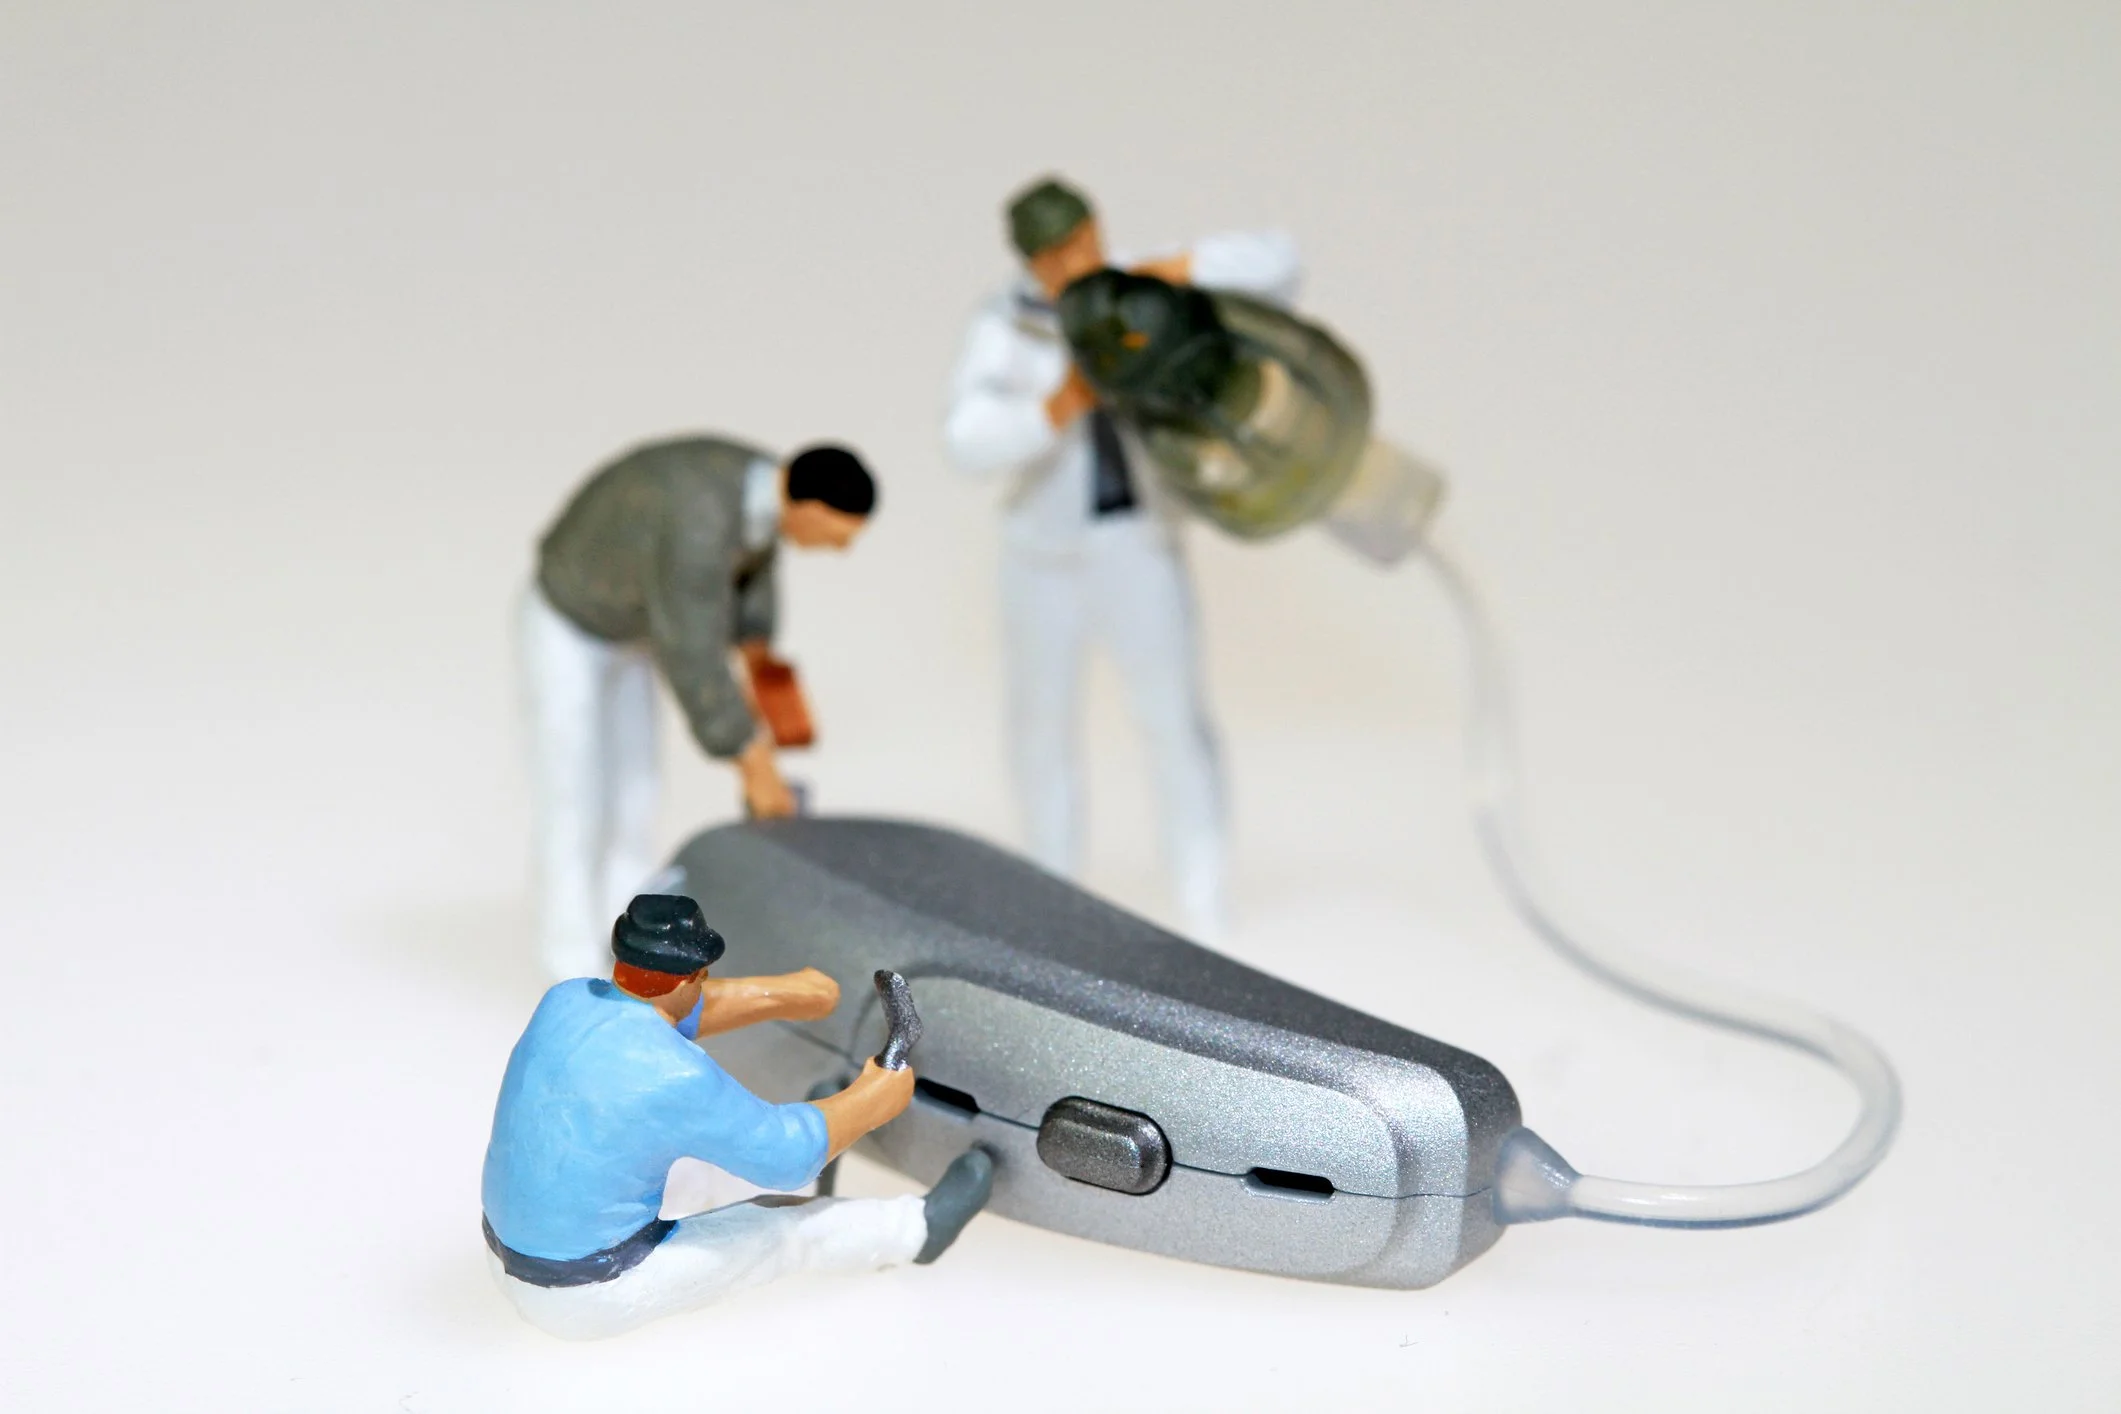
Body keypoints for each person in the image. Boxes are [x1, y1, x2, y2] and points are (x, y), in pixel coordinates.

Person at [943, 176, 1301, 941]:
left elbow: (1279, 265)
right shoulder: (1006, 327)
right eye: (1056, 255)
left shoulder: (1145, 290)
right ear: (1032, 263)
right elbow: (964, 440)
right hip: (1043, 554)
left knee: (1173, 719)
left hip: (1137, 541)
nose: (1075, 262)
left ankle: (1203, 899)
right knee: (1041, 726)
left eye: (1083, 242)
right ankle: (1053, 899)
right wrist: (1054, 409)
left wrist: (1183, 270)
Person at [482, 894, 994, 1341]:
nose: (705, 986)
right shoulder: (674, 1076)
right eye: (702, 977)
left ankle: (830, 1157)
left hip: (502, 1255)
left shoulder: (566, 999)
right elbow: (786, 1155)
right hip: (589, 1290)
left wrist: (786, 995)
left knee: (689, 1166)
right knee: (777, 1226)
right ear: (690, 977)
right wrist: (870, 1100)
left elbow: (674, 1007)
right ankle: (917, 1232)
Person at [521, 436, 876, 980]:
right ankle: (565, 969)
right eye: (836, 535)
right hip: (571, 625)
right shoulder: (699, 522)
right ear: (808, 506)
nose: (839, 550)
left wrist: (759, 656)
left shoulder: (763, 493)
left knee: (637, 787)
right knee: (574, 796)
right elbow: (692, 652)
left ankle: (630, 947)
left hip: (634, 630)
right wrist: (752, 760)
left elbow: (752, 570)